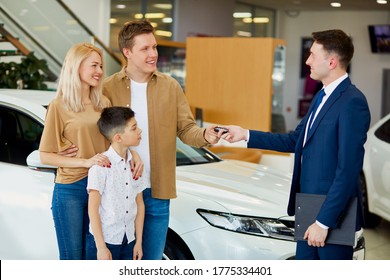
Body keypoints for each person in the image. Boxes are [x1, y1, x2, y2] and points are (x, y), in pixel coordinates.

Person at [222, 29, 371, 260]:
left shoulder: (353, 102)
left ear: (332, 62)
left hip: (332, 215)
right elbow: (295, 140)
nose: (307, 60)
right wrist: (245, 134)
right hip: (307, 208)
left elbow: (348, 171)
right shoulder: (321, 97)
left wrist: (324, 222)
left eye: (312, 55)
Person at [102, 19, 222, 260]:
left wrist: (206, 135)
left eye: (154, 47)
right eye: (145, 48)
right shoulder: (108, 88)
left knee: (151, 262)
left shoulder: (170, 87)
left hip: (158, 191)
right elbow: (99, 136)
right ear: (127, 52)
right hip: (118, 191)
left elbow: (187, 129)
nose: (153, 54)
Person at [39, 43, 112, 259]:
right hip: (70, 188)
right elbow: (45, 155)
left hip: (100, 186)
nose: (99, 71)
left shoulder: (104, 104)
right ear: (76, 67)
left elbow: (114, 144)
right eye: (93, 65)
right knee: (72, 258)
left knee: (95, 255)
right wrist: (85, 162)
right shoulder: (59, 106)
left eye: (100, 66)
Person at [86, 106, 145, 260]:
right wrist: (101, 248)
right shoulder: (100, 167)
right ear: (118, 137)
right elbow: (92, 209)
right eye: (134, 128)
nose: (139, 131)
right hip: (106, 241)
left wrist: (138, 242)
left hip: (129, 240)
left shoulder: (136, 165)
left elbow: (139, 203)